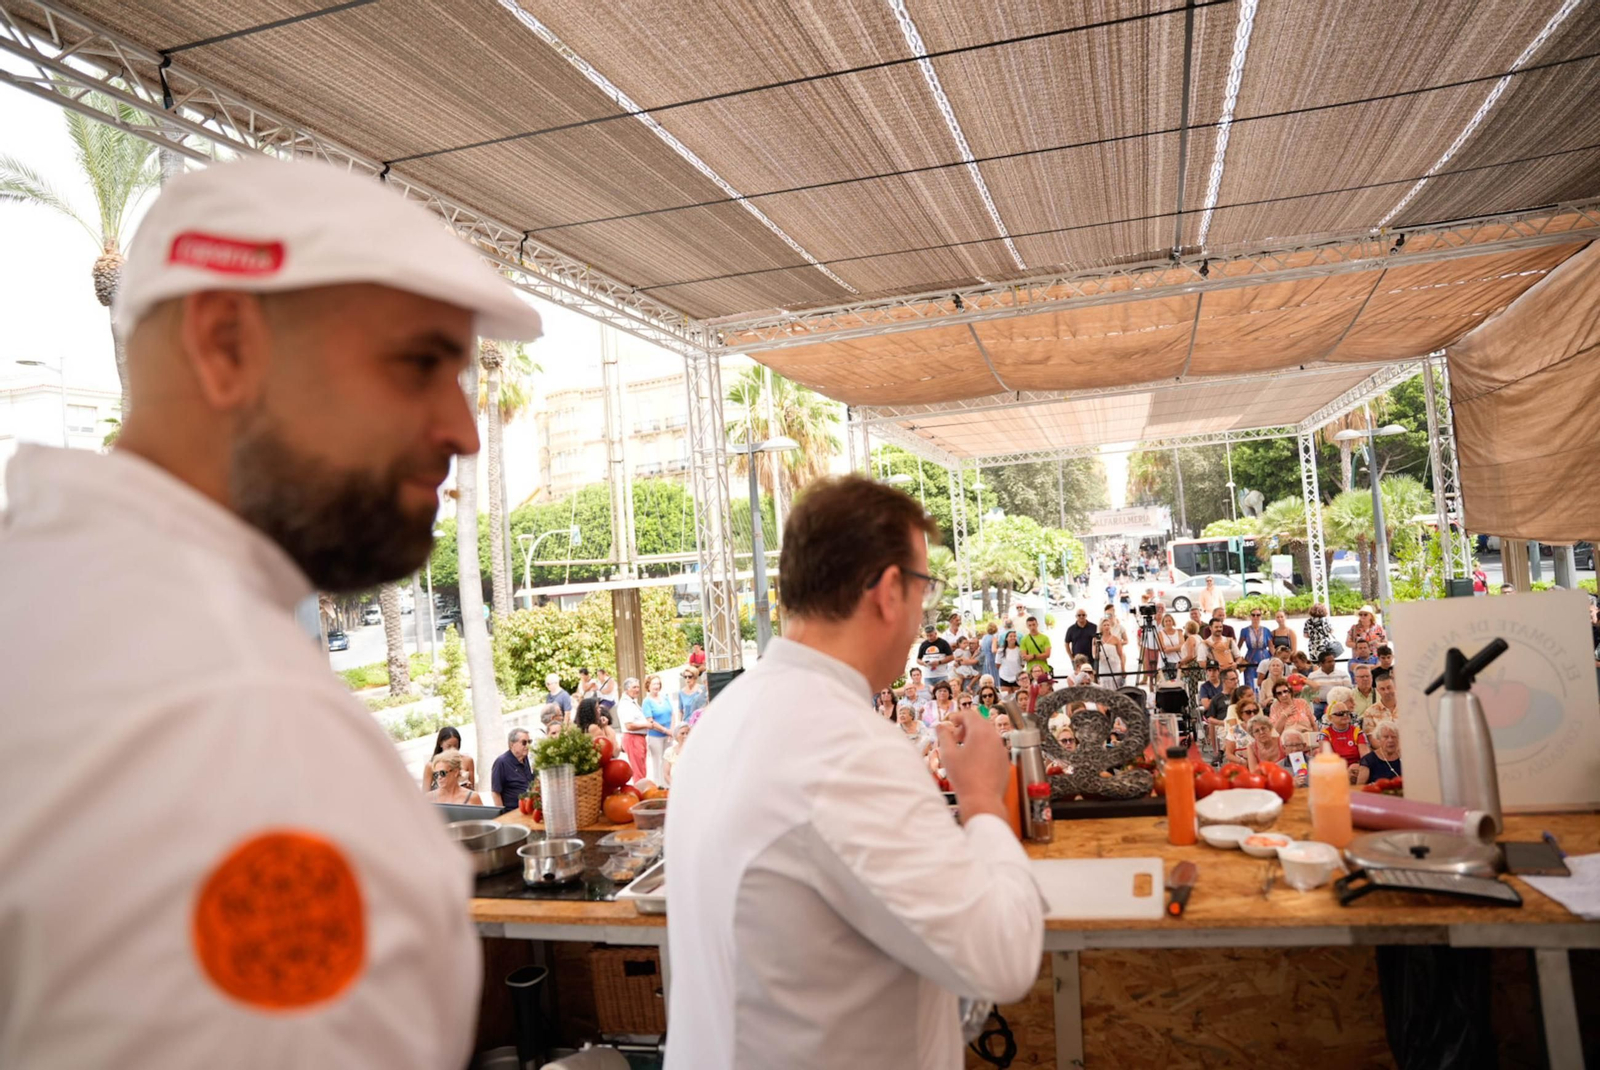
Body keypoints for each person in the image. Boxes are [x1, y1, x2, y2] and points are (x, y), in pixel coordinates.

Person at [0, 156, 545, 1067]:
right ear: (225, 344)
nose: (464, 430)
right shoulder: (232, 720)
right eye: (419, 363)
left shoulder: (46, 597)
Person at [665, 475, 1044, 1069]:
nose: (924, 614)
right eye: (925, 589)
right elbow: (1003, 954)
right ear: (890, 591)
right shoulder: (847, 748)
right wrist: (980, 798)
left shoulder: (725, 716)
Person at [1318, 689, 1370, 779]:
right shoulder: (1325, 734)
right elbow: (1328, 760)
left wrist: (1357, 768)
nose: (1345, 716)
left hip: (1356, 769)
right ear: (1330, 718)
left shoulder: (1357, 732)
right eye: (1340, 714)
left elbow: (1366, 758)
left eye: (1347, 713)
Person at [491, 728, 537, 813]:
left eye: (529, 742)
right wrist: (502, 815)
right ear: (512, 744)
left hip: (530, 808)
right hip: (512, 811)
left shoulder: (526, 758)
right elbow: (495, 792)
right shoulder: (501, 762)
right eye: (524, 742)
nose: (527, 746)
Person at [421, 725, 476, 792]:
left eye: (455, 746)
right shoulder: (431, 765)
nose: (452, 749)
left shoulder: (468, 761)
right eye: (449, 746)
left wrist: (469, 787)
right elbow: (425, 793)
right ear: (440, 744)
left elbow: (473, 789)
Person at [642, 674, 675, 784]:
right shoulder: (647, 701)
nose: (656, 686)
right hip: (656, 736)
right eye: (654, 684)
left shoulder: (665, 697)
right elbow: (650, 721)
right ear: (648, 686)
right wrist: (665, 730)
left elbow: (672, 714)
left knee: (668, 761)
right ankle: (659, 786)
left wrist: (672, 730)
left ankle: (668, 785)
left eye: (658, 684)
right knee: (658, 762)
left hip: (669, 735)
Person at [617, 677, 650, 782]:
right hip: (633, 738)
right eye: (634, 687)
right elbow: (629, 725)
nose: (637, 689)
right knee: (638, 771)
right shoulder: (625, 704)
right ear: (627, 689)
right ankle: (641, 794)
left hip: (638, 738)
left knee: (642, 769)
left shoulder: (632, 702)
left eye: (638, 687)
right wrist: (647, 725)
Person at [1238, 609, 1273, 689]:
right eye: (1253, 615)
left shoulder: (1266, 630)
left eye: (1258, 615)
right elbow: (1238, 646)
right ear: (1250, 616)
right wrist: (1237, 659)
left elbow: (1271, 646)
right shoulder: (1244, 631)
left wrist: (1276, 658)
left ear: (1261, 616)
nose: (1255, 617)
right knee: (1250, 682)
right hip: (1250, 658)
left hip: (1264, 657)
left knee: (1265, 680)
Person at [1306, 650, 1346, 714]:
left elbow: (1349, 690)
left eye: (1333, 661)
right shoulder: (1312, 675)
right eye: (1329, 662)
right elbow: (1307, 691)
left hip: (1337, 704)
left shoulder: (1343, 674)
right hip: (1319, 704)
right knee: (1312, 711)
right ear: (1321, 664)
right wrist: (1312, 697)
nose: (1332, 664)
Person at [1097, 605, 1127, 688]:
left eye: (1111, 614)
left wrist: (1118, 644)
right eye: (1107, 614)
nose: (1107, 626)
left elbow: (1126, 641)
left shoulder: (1119, 627)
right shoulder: (1099, 632)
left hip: (1115, 657)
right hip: (1104, 663)